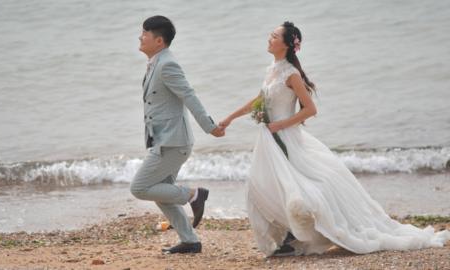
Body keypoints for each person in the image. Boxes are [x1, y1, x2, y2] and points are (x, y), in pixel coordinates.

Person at [219, 21, 450, 257]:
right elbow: (258, 100)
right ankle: (291, 234)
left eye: (274, 35)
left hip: (285, 137)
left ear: (288, 44)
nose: (269, 38)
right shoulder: (272, 69)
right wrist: (229, 118)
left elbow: (310, 109)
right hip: (269, 139)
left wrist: (280, 124)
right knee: (268, 185)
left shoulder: (291, 74)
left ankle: (297, 235)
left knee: (296, 185)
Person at [131, 15, 225, 254]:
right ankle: (190, 241)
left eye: (145, 34)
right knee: (162, 192)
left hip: (173, 142)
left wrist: (210, 126)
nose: (140, 37)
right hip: (164, 139)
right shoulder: (157, 61)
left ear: (159, 41)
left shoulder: (167, 65)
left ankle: (194, 195)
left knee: (140, 187)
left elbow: (189, 96)